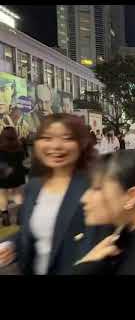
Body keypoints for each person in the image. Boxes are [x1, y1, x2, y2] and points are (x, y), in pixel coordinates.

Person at [0, 114, 107, 274]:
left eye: (67, 138)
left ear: (81, 144)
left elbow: (96, 251)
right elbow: (30, 232)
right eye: (47, 138)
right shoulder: (34, 186)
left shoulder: (94, 188)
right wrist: (10, 245)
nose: (56, 146)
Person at [0, 127, 27, 226]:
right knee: (17, 193)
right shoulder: (20, 146)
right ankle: (20, 217)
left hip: (2, 174)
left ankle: (5, 217)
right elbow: (24, 158)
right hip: (17, 174)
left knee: (2, 194)